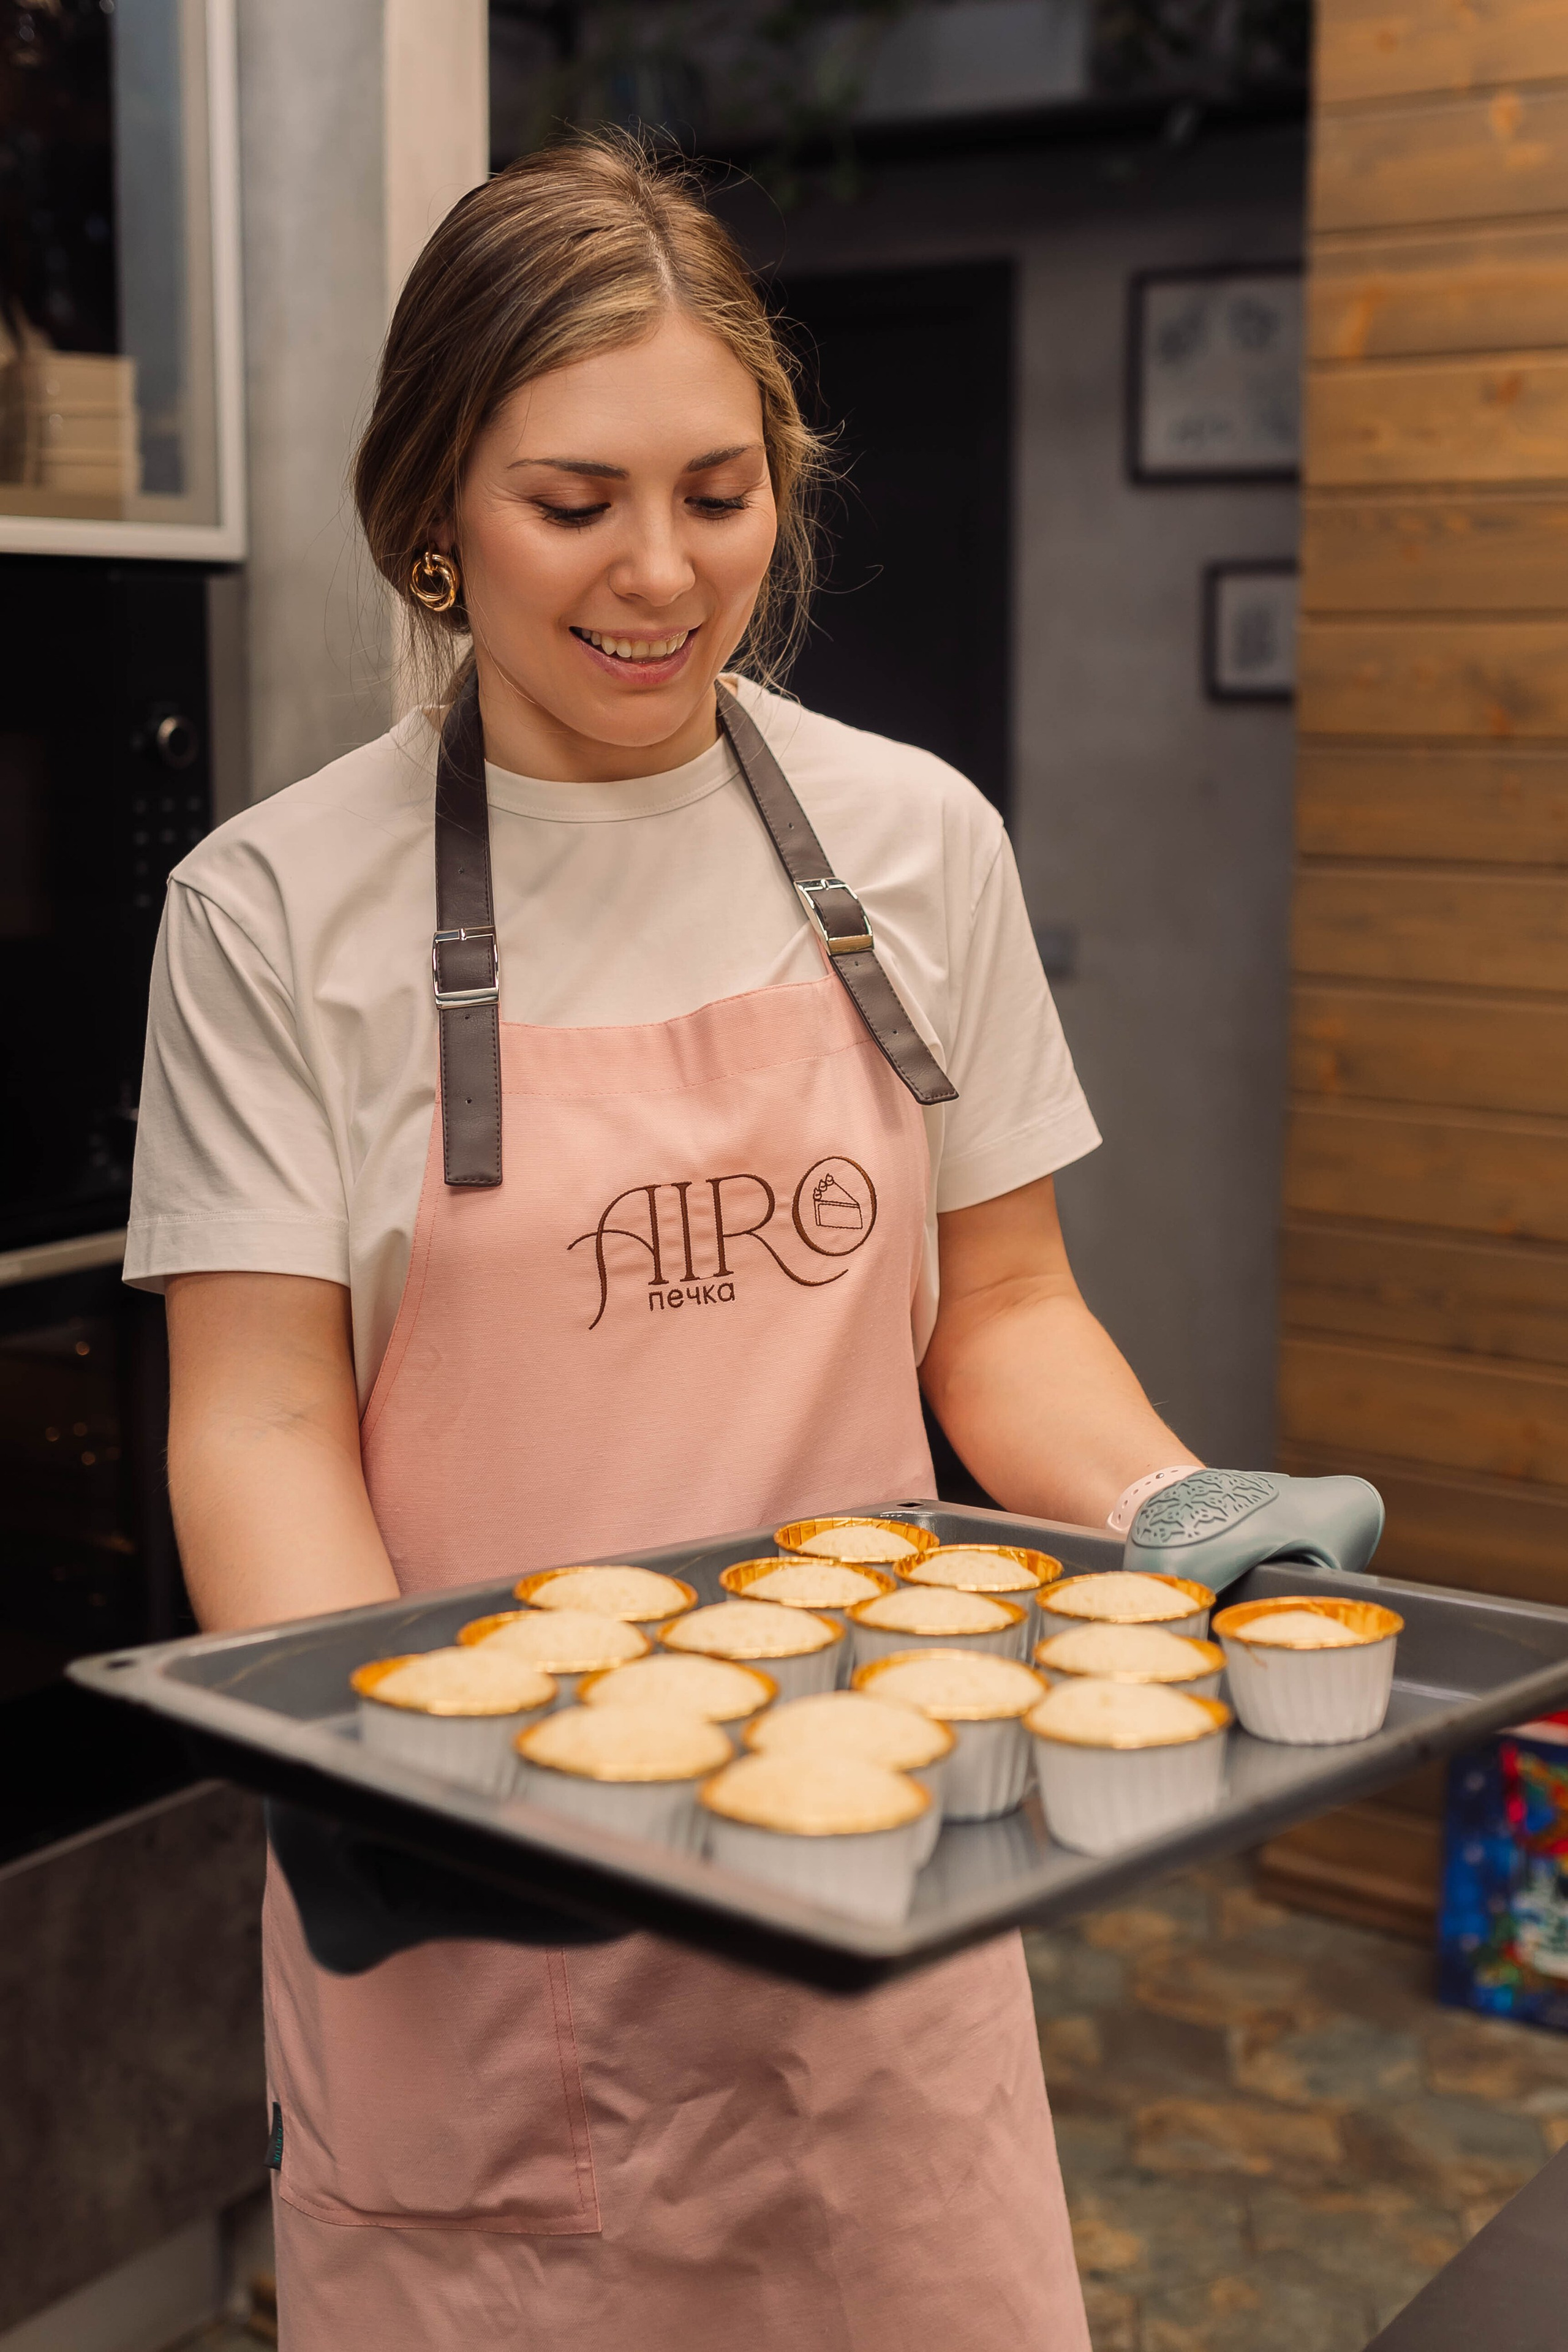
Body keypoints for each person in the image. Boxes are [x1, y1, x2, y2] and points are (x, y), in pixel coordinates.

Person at [126, 134, 1203, 2349]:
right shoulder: (270, 910)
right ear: (435, 512)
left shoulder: (920, 839)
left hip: (878, 1893)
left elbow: (1004, 1315)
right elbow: (253, 1426)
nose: (659, 572)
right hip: (484, 1932)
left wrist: (1183, 1507)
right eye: (573, 500)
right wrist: (373, 1755)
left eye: (720, 494)